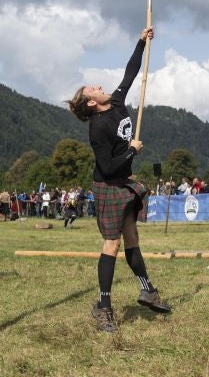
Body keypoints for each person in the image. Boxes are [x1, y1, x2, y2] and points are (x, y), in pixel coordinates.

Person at [66, 26, 171, 334]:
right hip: (109, 184)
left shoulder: (116, 100)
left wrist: (141, 42)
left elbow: (131, 71)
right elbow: (108, 167)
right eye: (92, 88)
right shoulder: (97, 129)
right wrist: (132, 151)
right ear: (90, 103)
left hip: (124, 182)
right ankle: (104, 307)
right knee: (112, 244)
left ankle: (147, 291)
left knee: (132, 238)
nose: (99, 85)